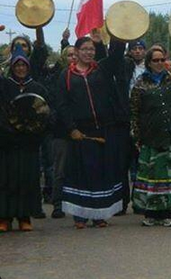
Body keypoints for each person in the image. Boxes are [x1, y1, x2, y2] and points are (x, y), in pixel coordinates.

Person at [56, 36, 127, 229]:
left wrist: (117, 36)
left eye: (91, 49)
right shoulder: (66, 75)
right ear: (77, 52)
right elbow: (62, 105)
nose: (89, 52)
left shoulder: (101, 70)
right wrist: (72, 129)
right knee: (81, 174)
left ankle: (100, 215)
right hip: (80, 132)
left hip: (103, 130)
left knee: (100, 173)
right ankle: (80, 216)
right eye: (85, 49)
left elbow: (116, 55)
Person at [130, 48, 171, 227]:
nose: (159, 63)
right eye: (155, 60)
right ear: (149, 62)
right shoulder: (140, 84)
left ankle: (168, 213)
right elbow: (134, 113)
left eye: (162, 60)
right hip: (152, 136)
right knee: (153, 177)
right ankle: (151, 214)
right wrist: (136, 137)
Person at [0, 46, 52, 232]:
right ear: (12, 67)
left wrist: (34, 132)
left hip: (29, 143)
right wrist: (9, 131)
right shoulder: (4, 86)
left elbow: (45, 114)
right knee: (6, 180)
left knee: (27, 180)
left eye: (23, 65)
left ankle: (24, 217)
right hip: (7, 142)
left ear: (28, 66)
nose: (20, 68)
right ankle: (4, 217)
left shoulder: (37, 88)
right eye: (17, 65)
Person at [47, 44, 77, 219]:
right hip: (61, 130)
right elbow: (57, 103)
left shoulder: (82, 76)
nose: (72, 58)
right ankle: (57, 203)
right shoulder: (58, 76)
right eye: (69, 55)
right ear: (63, 58)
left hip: (80, 129)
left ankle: (76, 203)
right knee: (60, 169)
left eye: (75, 55)